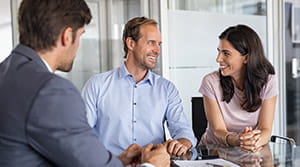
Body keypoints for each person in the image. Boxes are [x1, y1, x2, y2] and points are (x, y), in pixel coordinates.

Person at [0, 0, 170, 167]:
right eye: (80, 36)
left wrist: (117, 161)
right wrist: (152, 165)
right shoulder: (51, 90)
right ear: (67, 37)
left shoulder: (6, 72)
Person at [82, 16, 197, 156]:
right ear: (131, 43)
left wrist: (182, 143)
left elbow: (183, 130)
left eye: (158, 44)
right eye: (151, 43)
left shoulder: (166, 88)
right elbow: (82, 134)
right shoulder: (97, 85)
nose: (157, 50)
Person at [198, 24, 277, 153]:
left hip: (249, 153)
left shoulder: (268, 82)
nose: (218, 59)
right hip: (213, 153)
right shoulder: (210, 82)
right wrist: (239, 140)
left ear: (246, 57)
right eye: (219, 51)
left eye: (226, 53)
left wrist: (253, 142)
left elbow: (265, 129)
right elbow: (218, 130)